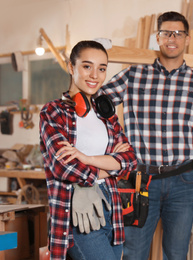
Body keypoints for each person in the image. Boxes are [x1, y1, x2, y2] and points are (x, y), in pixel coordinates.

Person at [102, 11, 193, 260]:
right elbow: (95, 105)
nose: (172, 38)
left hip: (183, 181)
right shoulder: (132, 75)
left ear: (187, 39)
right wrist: (93, 54)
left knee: (177, 255)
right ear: (157, 38)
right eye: (166, 33)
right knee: (134, 253)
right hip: (139, 180)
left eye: (178, 33)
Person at [39, 40, 137, 260]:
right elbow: (65, 169)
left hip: (112, 209)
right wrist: (112, 166)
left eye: (101, 68)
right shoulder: (54, 112)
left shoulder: (106, 114)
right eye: (86, 66)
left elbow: (130, 160)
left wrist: (85, 157)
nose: (95, 75)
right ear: (71, 67)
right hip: (78, 211)